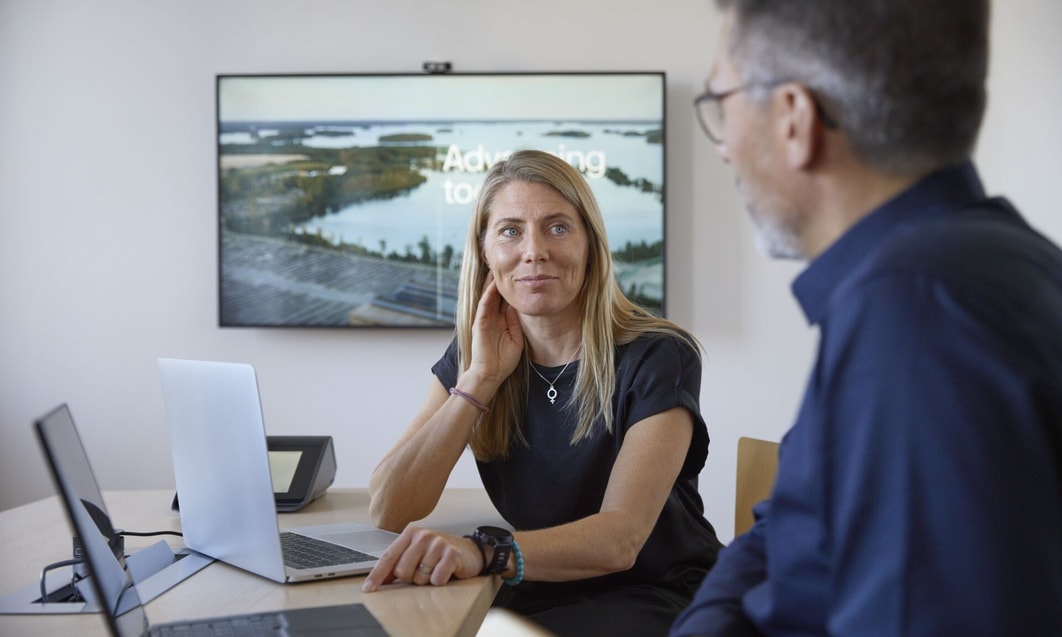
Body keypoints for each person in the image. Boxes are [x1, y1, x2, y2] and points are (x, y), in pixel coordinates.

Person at [671, 1, 1062, 636]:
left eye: (724, 103)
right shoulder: (978, 269)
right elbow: (790, 523)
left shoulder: (917, 318)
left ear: (795, 119)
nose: (722, 148)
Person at [362, 149, 724, 637]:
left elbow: (621, 539)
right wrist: (479, 381)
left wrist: (487, 550)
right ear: (486, 252)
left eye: (557, 227)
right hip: (539, 583)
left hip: (656, 592)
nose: (534, 251)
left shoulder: (658, 355)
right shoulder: (476, 354)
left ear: (590, 245)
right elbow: (389, 508)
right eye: (510, 231)